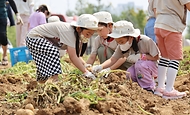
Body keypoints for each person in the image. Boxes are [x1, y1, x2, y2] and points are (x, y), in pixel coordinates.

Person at [26, 14, 102, 83]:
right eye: (87, 33)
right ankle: (54, 80)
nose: (88, 36)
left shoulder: (77, 36)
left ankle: (41, 83)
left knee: (44, 65)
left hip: (39, 39)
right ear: (79, 29)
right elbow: (72, 57)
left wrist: (85, 65)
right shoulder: (70, 33)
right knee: (53, 52)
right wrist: (86, 72)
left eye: (91, 34)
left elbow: (77, 55)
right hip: (34, 37)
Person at [92, 20, 160, 92]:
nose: (120, 44)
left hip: (154, 66)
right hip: (139, 67)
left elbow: (157, 57)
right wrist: (101, 67)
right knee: (129, 73)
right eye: (118, 42)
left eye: (121, 41)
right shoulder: (122, 45)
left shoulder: (145, 40)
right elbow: (113, 59)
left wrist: (141, 56)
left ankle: (149, 88)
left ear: (130, 37)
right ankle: (138, 87)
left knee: (140, 65)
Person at [154, 0, 190, 99]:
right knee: (175, 58)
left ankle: (160, 87)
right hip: (172, 25)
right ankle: (169, 90)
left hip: (159, 24)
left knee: (164, 57)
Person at [0, 0, 22, 66]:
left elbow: (11, 1)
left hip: (2, 16)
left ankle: (5, 55)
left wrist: (17, 14)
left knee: (3, 35)